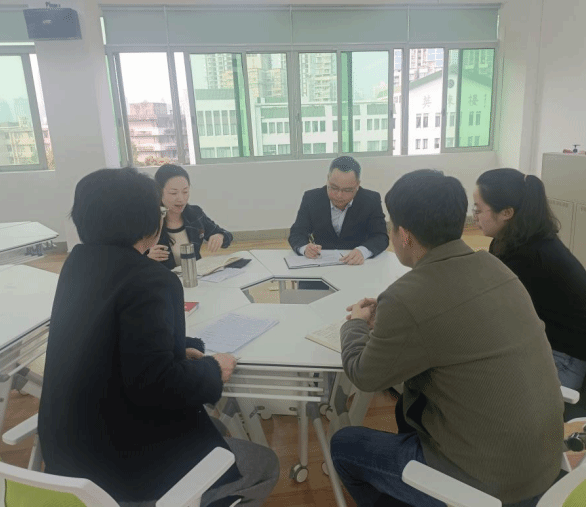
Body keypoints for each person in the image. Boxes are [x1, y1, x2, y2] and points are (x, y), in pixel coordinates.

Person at [38, 168, 278, 507]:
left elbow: (107, 342)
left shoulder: (77, 264)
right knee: (264, 464)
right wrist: (213, 369)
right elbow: (156, 385)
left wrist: (177, 349)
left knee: (215, 430)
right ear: (149, 222)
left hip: (67, 455)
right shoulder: (151, 280)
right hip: (120, 470)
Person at [330, 169, 564, 507]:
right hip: (541, 467)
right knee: (407, 412)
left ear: (404, 235)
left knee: (344, 445)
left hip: (487, 483)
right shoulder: (496, 267)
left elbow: (365, 375)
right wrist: (395, 317)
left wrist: (354, 324)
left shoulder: (407, 296)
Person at [474, 168, 586, 391]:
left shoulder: (530, 256)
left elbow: (495, 313)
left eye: (479, 209)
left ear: (507, 213)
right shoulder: (513, 242)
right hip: (549, 344)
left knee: (478, 382)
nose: (475, 217)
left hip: (570, 359)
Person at [288, 156, 389, 266]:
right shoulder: (312, 198)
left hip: (356, 264)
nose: (339, 195)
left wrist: (363, 251)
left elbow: (381, 237)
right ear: (328, 179)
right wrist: (305, 248)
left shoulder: (370, 200)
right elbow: (297, 233)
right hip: (321, 262)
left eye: (347, 190)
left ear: (357, 185)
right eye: (334, 188)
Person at [148, 164, 233, 269]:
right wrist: (147, 258)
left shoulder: (195, 214)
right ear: (159, 192)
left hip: (195, 274)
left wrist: (220, 236)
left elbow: (227, 235)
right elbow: (131, 257)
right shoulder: (149, 220)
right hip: (164, 277)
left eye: (185, 191)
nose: (181, 199)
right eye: (173, 193)